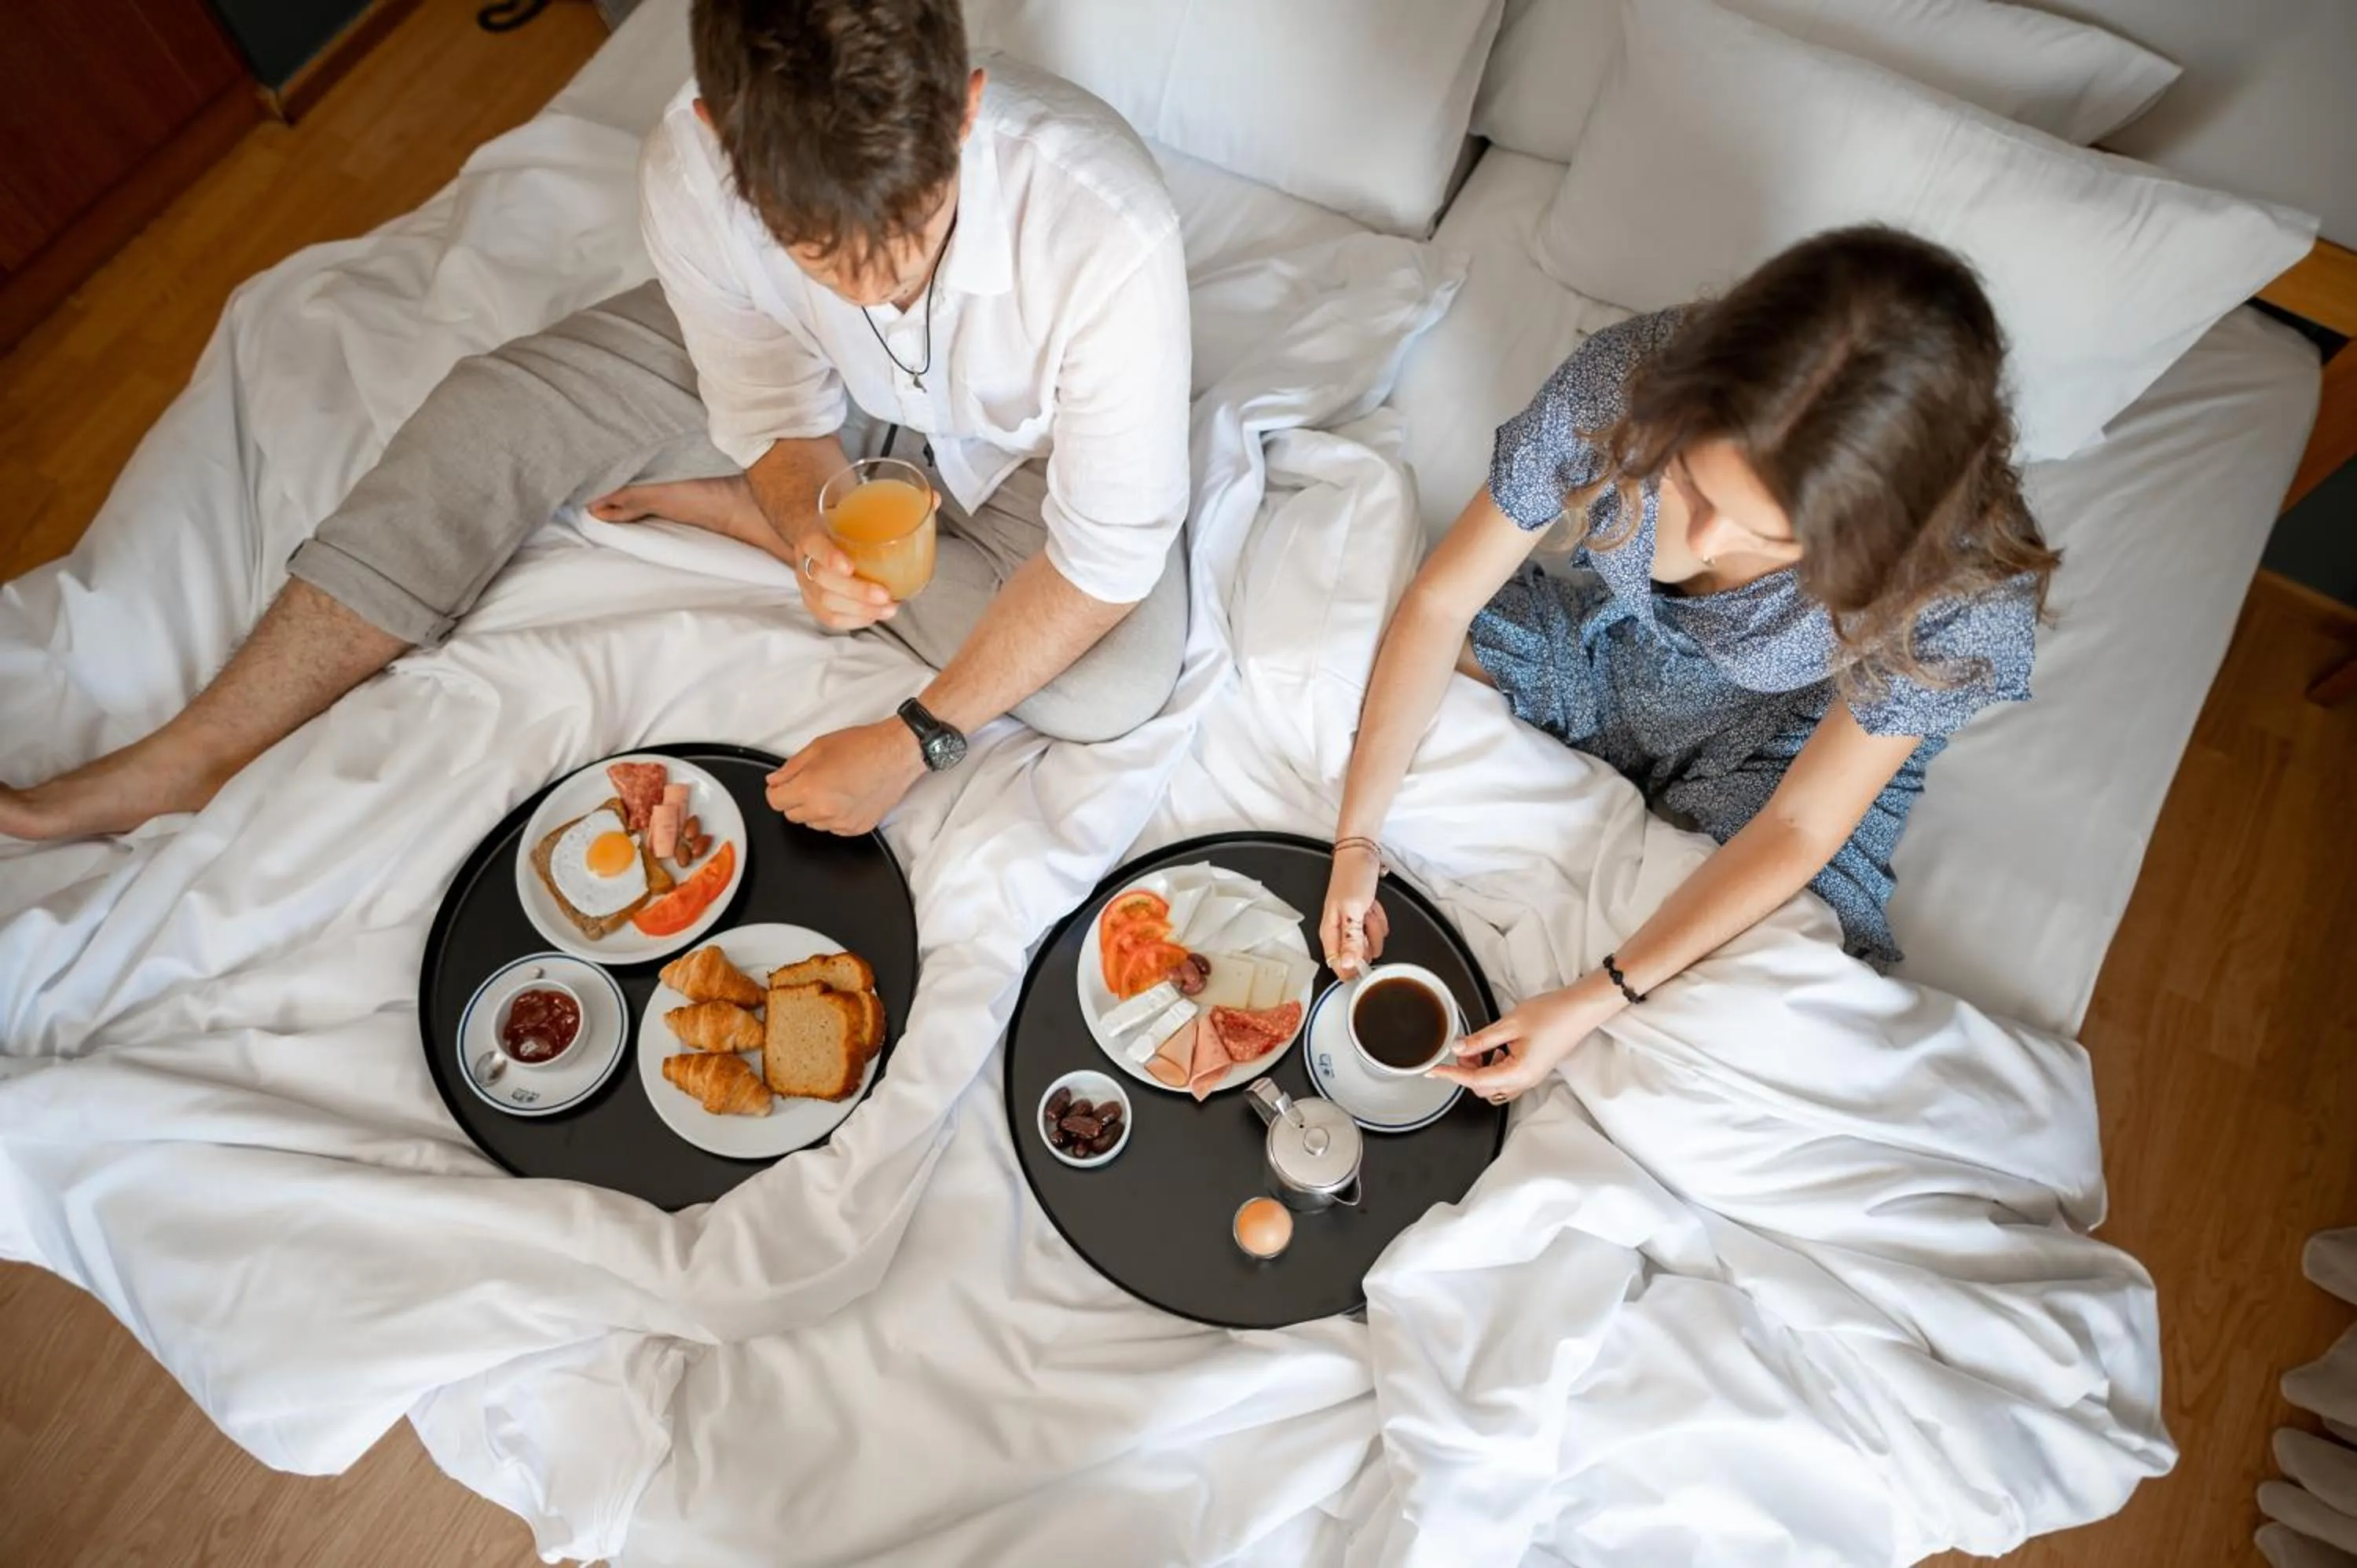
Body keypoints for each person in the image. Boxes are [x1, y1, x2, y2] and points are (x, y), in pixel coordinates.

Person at [0, 0, 1189, 843]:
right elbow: (777, 414)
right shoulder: (694, 167)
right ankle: (199, 748)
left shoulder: (1104, 231)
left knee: (1106, 684)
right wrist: (800, 498)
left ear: (969, 108)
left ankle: (745, 520)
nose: (874, 292)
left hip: (1026, 438)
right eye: (820, 254)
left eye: (910, 242)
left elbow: (1108, 558)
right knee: (496, 411)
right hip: (807, 386)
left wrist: (918, 736)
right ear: (727, 146)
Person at [1318, 226, 2059, 1105]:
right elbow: (1443, 604)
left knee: (1756, 1021)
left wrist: (1595, 998)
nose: (1706, 540)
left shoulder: (1956, 594)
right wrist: (1357, 841)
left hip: (1789, 755)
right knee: (1327, 656)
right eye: (1695, 487)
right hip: (1615, 663)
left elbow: (1797, 828)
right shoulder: (1625, 384)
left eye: (1766, 535)